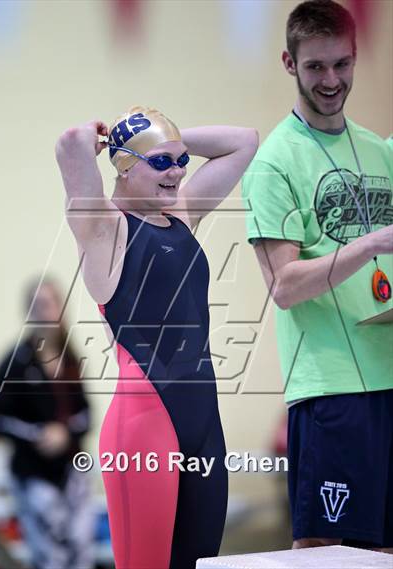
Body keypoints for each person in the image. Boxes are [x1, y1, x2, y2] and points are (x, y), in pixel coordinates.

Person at [55, 106, 258, 569]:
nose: (179, 171)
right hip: (144, 428)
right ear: (125, 166)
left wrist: (166, 138)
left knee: (199, 563)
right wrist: (98, 136)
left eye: (182, 160)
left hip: (205, 425)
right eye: (161, 163)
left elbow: (244, 140)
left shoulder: (182, 215)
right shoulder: (105, 229)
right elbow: (69, 144)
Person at [242, 0, 392, 553]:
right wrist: (370, 243)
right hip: (331, 389)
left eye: (342, 65)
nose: (331, 80)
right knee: (331, 556)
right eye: (315, 67)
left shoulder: (380, 150)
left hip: (390, 378)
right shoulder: (275, 163)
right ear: (289, 62)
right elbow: (284, 286)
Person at [0, 278, 94, 569]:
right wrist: (40, 435)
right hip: (33, 475)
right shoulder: (15, 363)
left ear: (61, 308)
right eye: (37, 305)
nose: (44, 311)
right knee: (50, 559)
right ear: (28, 312)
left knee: (81, 555)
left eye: (49, 303)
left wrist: (65, 432)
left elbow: (86, 415)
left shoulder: (71, 360)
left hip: (72, 473)